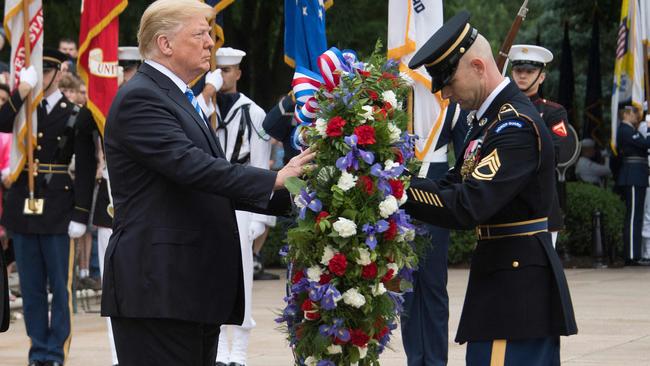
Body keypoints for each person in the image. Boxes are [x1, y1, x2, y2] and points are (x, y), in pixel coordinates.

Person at [100, 2, 313, 365]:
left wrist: (298, 193)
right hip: (159, 289)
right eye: (200, 34)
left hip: (187, 288)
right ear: (165, 43)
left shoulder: (175, 95)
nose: (210, 44)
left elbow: (211, 179)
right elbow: (193, 168)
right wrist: (276, 177)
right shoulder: (142, 97)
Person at [404, 12, 577, 365]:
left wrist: (400, 194)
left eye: (449, 82)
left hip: (515, 293)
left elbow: (468, 205)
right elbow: (451, 182)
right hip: (502, 285)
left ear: (479, 66)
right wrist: (396, 184)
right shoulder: (488, 122)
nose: (448, 95)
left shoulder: (514, 126)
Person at [0, 49, 87, 366]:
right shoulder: (23, 111)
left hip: (58, 210)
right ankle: (38, 349)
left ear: (57, 73)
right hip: (23, 207)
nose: (42, 79)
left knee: (59, 290)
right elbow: (1, 122)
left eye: (45, 73)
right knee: (32, 286)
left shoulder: (74, 113)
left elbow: (87, 169)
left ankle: (55, 351)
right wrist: (20, 92)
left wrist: (81, 213)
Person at [196, 46, 275, 366]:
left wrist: (261, 217)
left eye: (228, 71)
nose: (222, 75)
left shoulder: (253, 112)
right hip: (208, 202)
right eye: (218, 69)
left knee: (241, 277)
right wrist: (208, 93)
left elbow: (260, 165)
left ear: (239, 73)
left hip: (241, 205)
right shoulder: (203, 107)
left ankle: (239, 349)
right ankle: (216, 348)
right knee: (208, 275)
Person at [70, 46, 142, 366]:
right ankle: (118, 357)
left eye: (128, 72)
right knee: (114, 287)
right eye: (120, 72)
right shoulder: (99, 108)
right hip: (110, 206)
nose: (124, 78)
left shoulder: (149, 103)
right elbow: (81, 131)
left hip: (145, 206)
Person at [400, 100, 467, 366]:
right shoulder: (393, 100)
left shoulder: (453, 105)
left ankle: (437, 361)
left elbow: (465, 160)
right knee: (405, 287)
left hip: (435, 195)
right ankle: (415, 359)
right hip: (397, 195)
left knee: (434, 285)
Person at [509, 45, 568, 247]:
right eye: (518, 70)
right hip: (506, 200)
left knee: (543, 271)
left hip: (540, 200)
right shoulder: (499, 109)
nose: (523, 76)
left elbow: (554, 152)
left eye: (530, 71)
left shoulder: (554, 112)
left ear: (541, 77)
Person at [616, 104, 650, 266]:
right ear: (627, 114)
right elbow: (645, 144)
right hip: (633, 175)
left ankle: (634, 253)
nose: (636, 116)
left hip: (638, 175)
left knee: (637, 216)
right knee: (633, 216)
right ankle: (630, 254)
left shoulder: (631, 130)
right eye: (634, 113)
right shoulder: (625, 130)